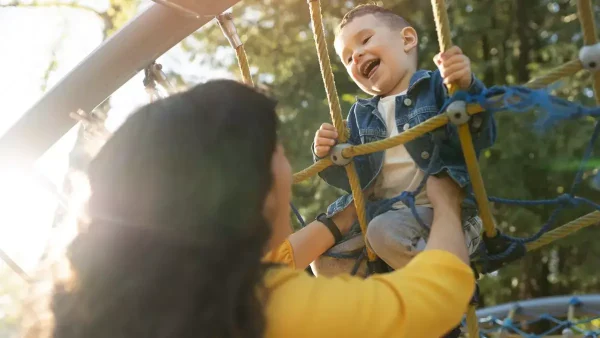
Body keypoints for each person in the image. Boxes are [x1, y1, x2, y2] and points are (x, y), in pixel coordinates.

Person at [47, 79, 476, 338]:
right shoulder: (264, 310)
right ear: (256, 189)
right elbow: (434, 299)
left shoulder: (135, 302)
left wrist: (344, 214)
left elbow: (281, 260)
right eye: (280, 153)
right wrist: (447, 206)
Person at [311, 4, 497, 270]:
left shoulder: (435, 87)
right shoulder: (359, 115)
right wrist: (326, 153)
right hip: (384, 215)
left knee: (382, 231)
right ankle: (386, 306)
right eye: (349, 58)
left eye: (365, 40)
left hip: (442, 213)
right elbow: (354, 178)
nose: (358, 55)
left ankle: (447, 286)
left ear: (407, 40)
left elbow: (479, 134)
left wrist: (466, 88)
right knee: (325, 259)